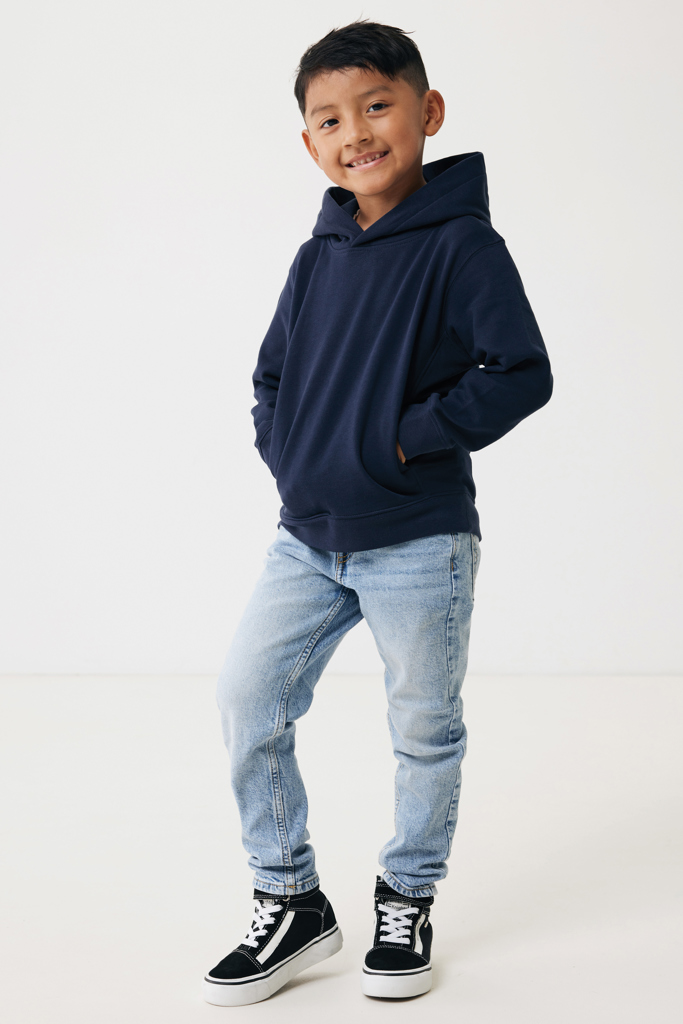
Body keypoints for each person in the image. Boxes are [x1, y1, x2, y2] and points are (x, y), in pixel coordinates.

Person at [203, 18, 553, 1007]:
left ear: (425, 111)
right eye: (329, 119)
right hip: (307, 538)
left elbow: (520, 372)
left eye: (375, 106)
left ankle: (405, 896)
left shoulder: (463, 244)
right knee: (247, 697)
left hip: (417, 541)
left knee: (422, 728)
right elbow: (270, 377)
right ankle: (291, 900)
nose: (354, 132)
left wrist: (399, 441)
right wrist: (294, 454)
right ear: (308, 141)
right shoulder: (317, 255)